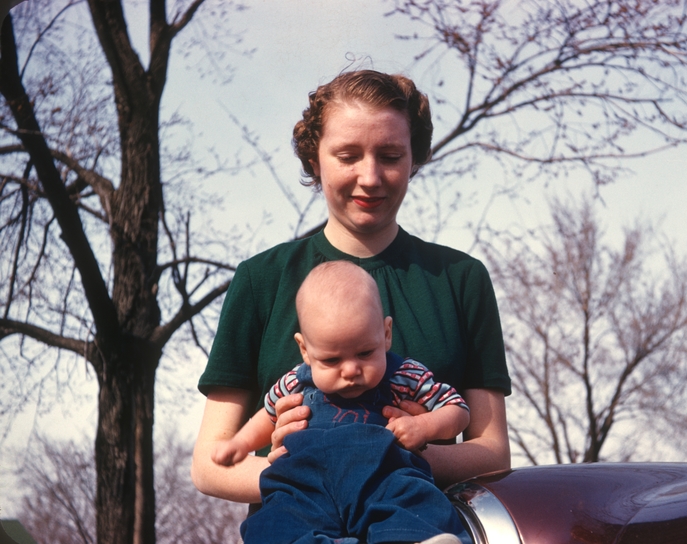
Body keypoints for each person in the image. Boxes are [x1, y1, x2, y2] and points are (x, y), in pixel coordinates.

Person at [192, 69, 510, 512]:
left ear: (413, 159)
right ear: (313, 160)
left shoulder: (460, 278)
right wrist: (295, 470)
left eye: (390, 155)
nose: (371, 177)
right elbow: (208, 466)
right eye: (347, 156)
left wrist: (408, 457)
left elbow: (493, 453)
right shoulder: (260, 280)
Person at [212, 260, 471, 544]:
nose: (350, 370)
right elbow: (268, 415)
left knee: (413, 507)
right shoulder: (294, 382)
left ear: (386, 335)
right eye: (332, 360)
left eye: (364, 352)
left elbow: (457, 410)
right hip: (303, 487)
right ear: (305, 350)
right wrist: (240, 444)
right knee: (274, 525)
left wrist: (424, 425)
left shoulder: (404, 375)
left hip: (382, 479)